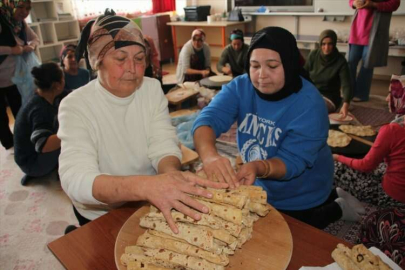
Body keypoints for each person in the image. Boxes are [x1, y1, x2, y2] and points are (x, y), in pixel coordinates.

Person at [58, 12, 227, 233]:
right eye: (120, 59)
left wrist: (170, 176)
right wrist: (146, 186)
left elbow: (163, 143)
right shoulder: (75, 105)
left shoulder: (150, 89)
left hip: (146, 200)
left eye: (139, 58)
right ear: (97, 60)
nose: (133, 68)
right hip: (100, 213)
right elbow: (76, 179)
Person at [192, 26, 365, 229]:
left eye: (272, 66)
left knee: (297, 229)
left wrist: (258, 167)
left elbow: (292, 162)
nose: (261, 75)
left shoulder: (309, 104)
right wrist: (210, 156)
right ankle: (335, 193)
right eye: (254, 66)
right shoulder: (241, 87)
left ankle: (337, 207)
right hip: (260, 181)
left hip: (303, 188)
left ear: (289, 64)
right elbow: (207, 119)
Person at [333, 75, 405, 208]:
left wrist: (338, 157)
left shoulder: (392, 130)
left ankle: (349, 203)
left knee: (336, 169)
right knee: (381, 166)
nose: (387, 98)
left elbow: (366, 166)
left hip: (393, 196)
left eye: (392, 94)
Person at [14, 62, 64, 186]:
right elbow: (43, 145)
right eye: (63, 77)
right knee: (71, 137)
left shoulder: (43, 95)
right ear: (57, 85)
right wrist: (72, 134)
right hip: (33, 164)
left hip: (25, 158)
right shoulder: (40, 109)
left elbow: (71, 94)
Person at [0, 0, 39, 150]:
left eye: (28, 8)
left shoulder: (20, 24)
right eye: (21, 7)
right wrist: (11, 50)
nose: (25, 12)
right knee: (1, 116)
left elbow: (35, 38)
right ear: (10, 6)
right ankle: (8, 144)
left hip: (14, 77)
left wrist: (31, 46)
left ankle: (23, 139)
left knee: (20, 109)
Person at [348, 0, 400, 102]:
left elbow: (394, 4)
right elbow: (351, 1)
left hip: (374, 32)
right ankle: (348, 93)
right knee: (350, 61)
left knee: (367, 64)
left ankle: (361, 94)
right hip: (357, 30)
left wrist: (374, 4)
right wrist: (354, 3)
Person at [304, 29, 352, 118]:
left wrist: (346, 104)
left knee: (314, 111)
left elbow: (346, 84)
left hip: (329, 97)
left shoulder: (340, 61)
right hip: (312, 93)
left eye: (330, 44)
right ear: (320, 44)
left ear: (334, 44)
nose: (326, 47)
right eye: (323, 44)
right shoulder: (313, 55)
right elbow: (304, 75)